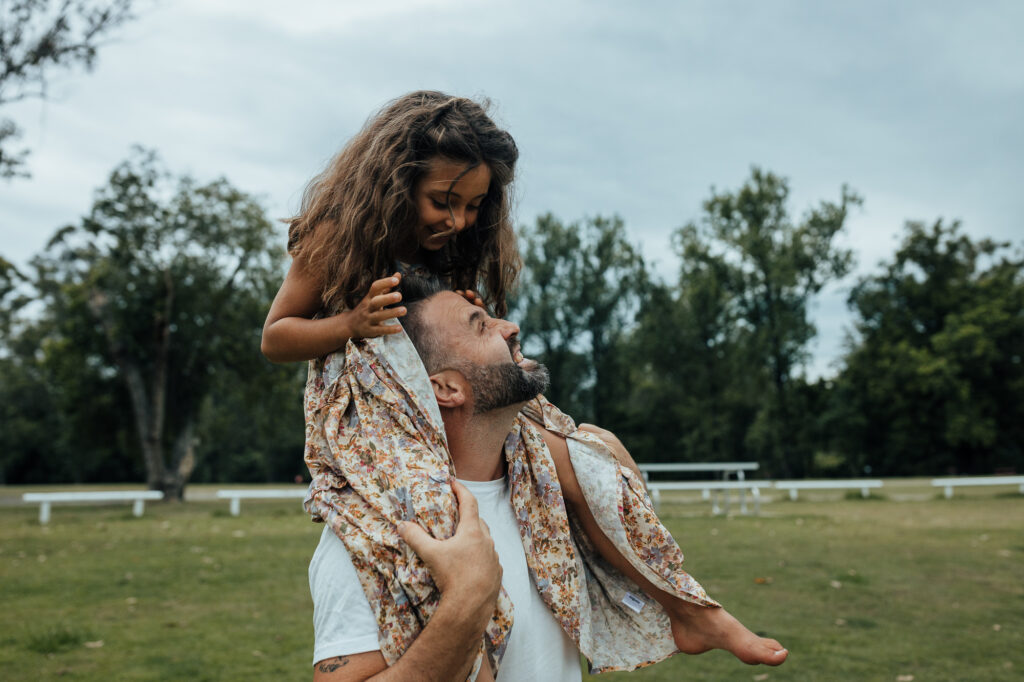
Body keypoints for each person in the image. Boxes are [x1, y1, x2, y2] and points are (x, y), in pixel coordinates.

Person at [307, 279, 788, 680]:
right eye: (481, 326)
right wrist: (466, 604)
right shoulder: (377, 534)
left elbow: (623, 516)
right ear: (447, 388)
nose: (510, 327)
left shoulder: (547, 491)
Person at [261, 90, 518, 364]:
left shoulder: (454, 247)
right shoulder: (339, 235)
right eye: (442, 202)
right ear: (399, 185)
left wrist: (465, 320)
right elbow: (274, 339)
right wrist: (350, 324)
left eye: (473, 206)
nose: (458, 222)